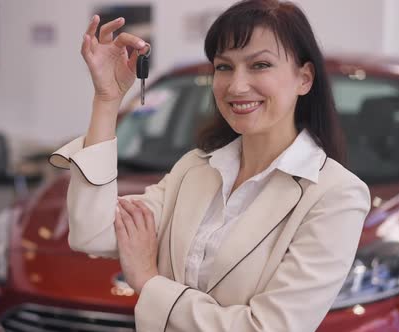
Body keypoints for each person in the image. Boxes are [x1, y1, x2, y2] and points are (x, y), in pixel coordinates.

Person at [49, 0, 371, 331]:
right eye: (224, 67)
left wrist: (149, 281)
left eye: (260, 65)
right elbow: (94, 233)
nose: (236, 86)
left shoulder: (336, 196)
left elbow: (266, 327)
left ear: (304, 78)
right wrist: (106, 100)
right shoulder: (195, 169)